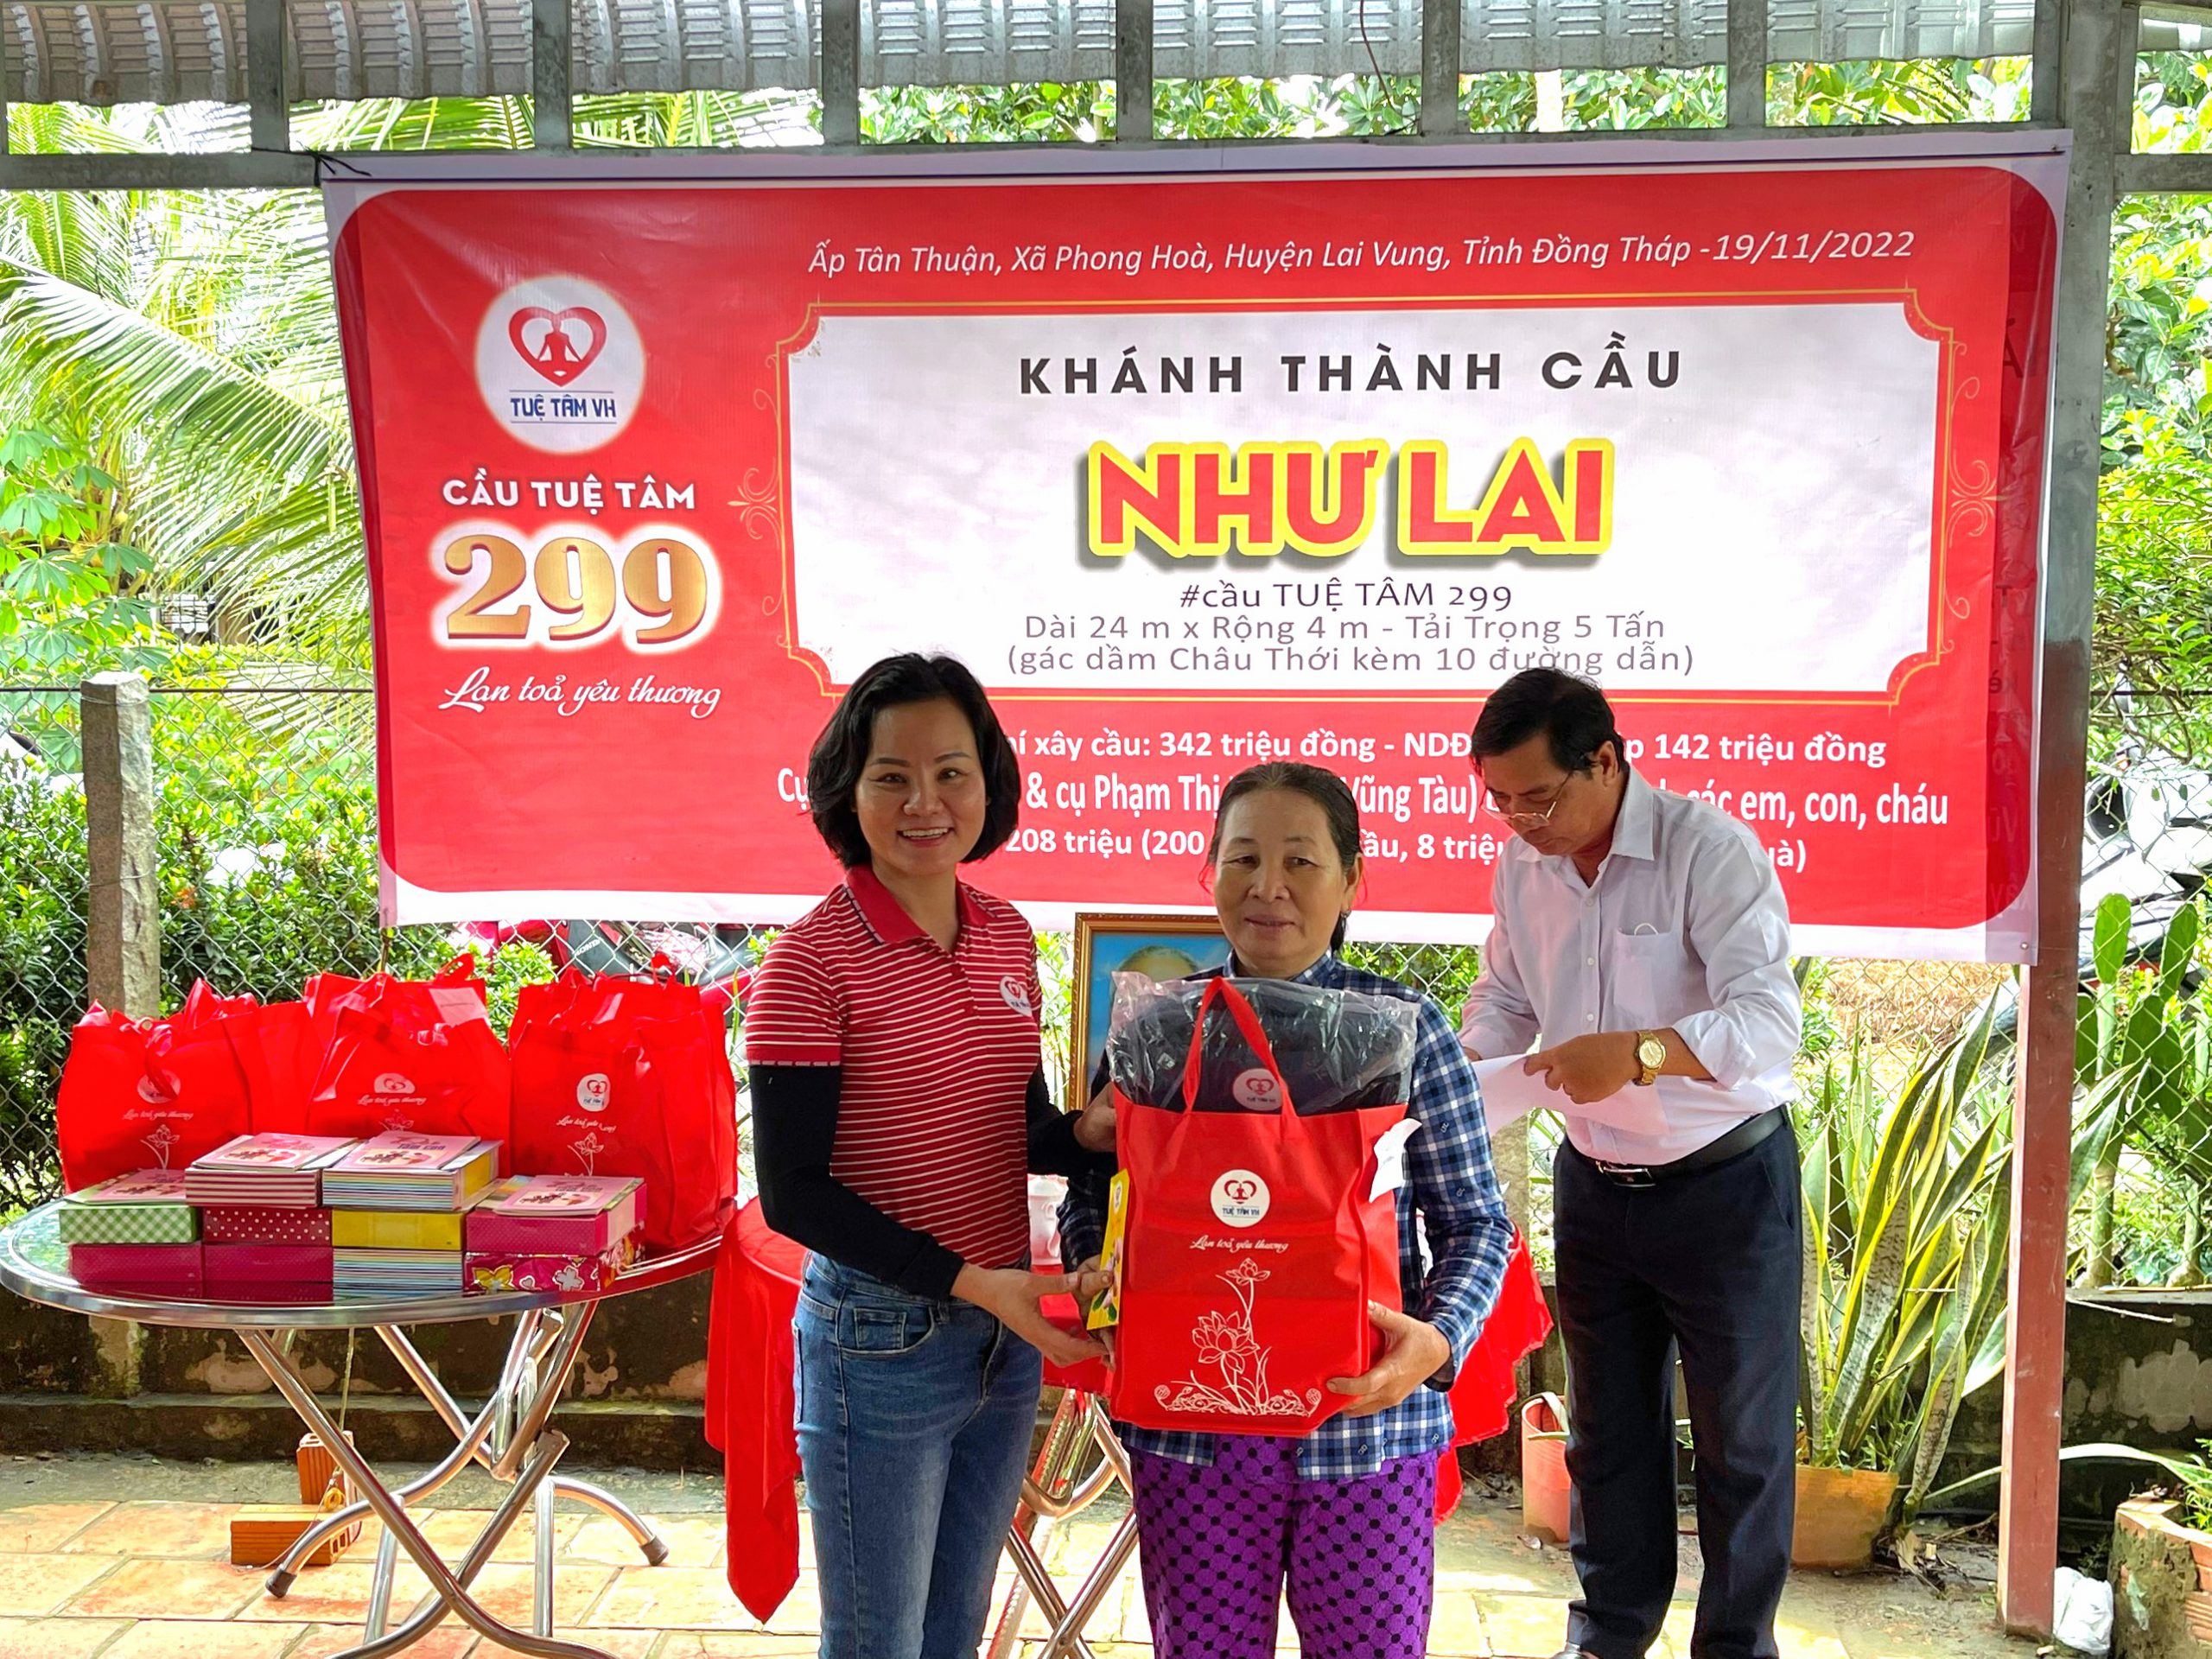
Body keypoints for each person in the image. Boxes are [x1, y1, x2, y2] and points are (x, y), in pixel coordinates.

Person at [1059, 760, 1516, 1659]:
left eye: (1300, 861)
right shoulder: (1159, 1029)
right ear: (1210, 872)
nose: (1267, 886)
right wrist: (1098, 1281)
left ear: (1351, 880)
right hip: (1190, 1428)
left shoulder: (1404, 1029)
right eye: (1243, 859)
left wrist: (1436, 1341)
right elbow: (1096, 1191)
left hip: (1364, 1426)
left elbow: (1476, 1222)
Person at [744, 652, 1113, 1659]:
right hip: (881, 1342)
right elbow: (793, 1197)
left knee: (956, 1629)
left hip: (1002, 1330)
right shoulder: (808, 964)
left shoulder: (1005, 936)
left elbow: (1014, 1126)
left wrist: (1089, 1132)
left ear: (988, 785)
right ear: (846, 790)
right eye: (891, 776)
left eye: (951, 772)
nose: (924, 802)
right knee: (879, 1641)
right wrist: (974, 1284)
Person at [1457, 669, 1802, 1659]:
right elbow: (1506, 998)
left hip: (1724, 1187)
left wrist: (1644, 1051)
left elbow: (1768, 1023)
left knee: (1741, 1443)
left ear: (1604, 761)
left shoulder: (1708, 852)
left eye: (1537, 797)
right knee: (1606, 1436)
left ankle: (1735, 1645)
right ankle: (1607, 1633)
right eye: (1500, 802)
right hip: (1596, 1185)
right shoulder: (1523, 869)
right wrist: (1469, 1066)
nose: (1520, 823)